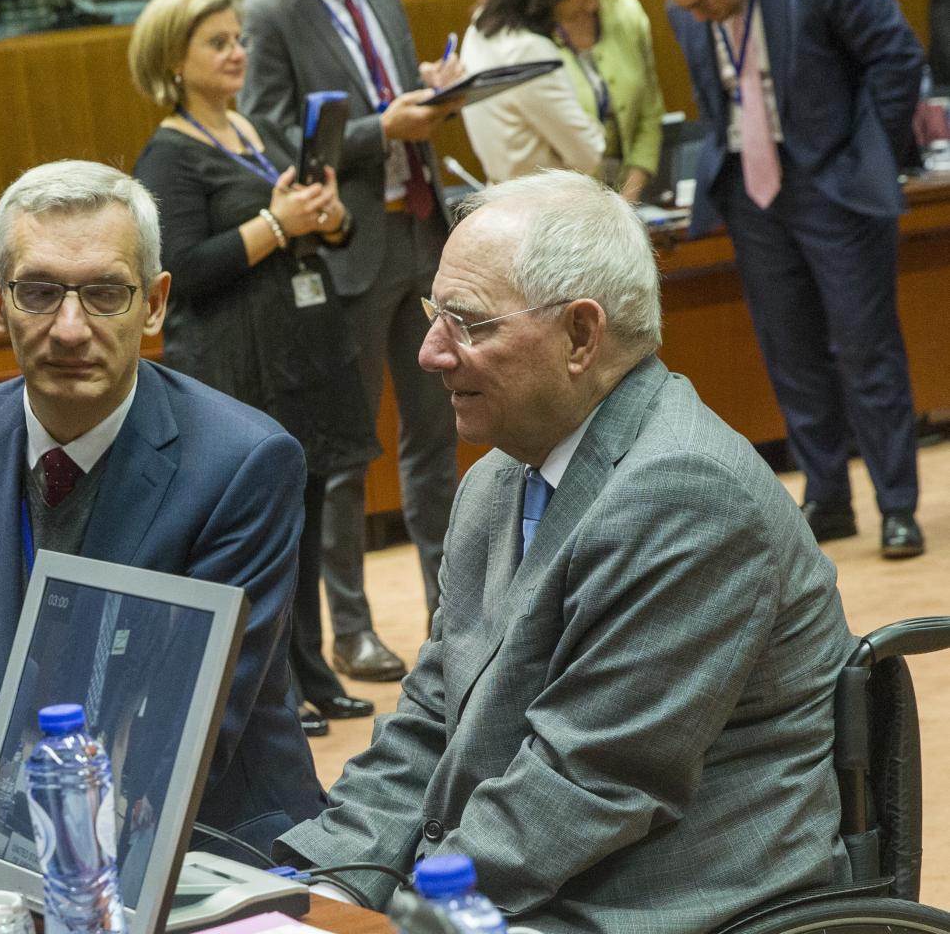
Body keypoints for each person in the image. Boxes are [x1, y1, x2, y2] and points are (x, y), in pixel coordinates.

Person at [277, 170, 857, 931]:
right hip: (547, 879)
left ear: (581, 334)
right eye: (433, 314)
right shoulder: (497, 481)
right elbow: (428, 721)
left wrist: (407, 916)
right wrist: (322, 886)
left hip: (667, 903)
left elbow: (586, 783)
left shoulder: (684, 491)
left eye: (468, 322)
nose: (428, 353)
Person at [0, 160, 325, 849]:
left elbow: (185, 733)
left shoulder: (242, 464)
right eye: (40, 292)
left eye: (107, 293)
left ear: (156, 302)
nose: (70, 328)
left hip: (203, 841)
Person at [128, 0, 379, 736]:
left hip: (295, 356)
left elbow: (304, 226)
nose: (238, 51)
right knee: (254, 532)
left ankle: (311, 668)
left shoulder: (252, 130)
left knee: (300, 519)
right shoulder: (168, 153)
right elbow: (182, 270)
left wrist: (328, 221)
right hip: (230, 369)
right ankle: (266, 687)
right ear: (175, 59)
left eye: (239, 38)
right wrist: (277, 222)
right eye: (218, 42)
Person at [656, 0, 926, 558]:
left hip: (835, 184)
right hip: (750, 193)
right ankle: (828, 497)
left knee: (865, 348)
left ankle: (897, 506)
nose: (698, 16)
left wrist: (868, 149)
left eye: (704, 0)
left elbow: (897, 53)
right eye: (687, 8)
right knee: (791, 353)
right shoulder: (685, 13)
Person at [241, 0, 462, 685]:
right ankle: (352, 630)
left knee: (437, 435)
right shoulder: (270, 9)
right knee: (345, 454)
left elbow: (392, 92)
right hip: (346, 248)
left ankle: (451, 614)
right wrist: (382, 130)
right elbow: (271, 139)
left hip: (423, 227)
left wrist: (435, 92)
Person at [460, 0, 666, 202]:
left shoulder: (480, 28)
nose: (591, 4)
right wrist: (591, 133)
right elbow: (589, 154)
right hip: (551, 212)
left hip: (512, 206)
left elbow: (649, 116)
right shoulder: (529, 51)